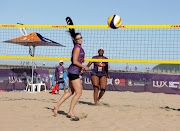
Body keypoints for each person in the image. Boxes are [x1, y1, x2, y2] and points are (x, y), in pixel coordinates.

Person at [54, 33, 89, 119]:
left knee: (70, 92)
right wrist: (84, 66)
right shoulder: (77, 48)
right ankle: (70, 111)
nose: (80, 39)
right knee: (79, 93)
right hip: (73, 72)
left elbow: (78, 62)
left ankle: (57, 106)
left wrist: (80, 69)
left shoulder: (78, 47)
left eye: (81, 37)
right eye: (78, 38)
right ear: (75, 40)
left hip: (74, 71)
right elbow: (74, 61)